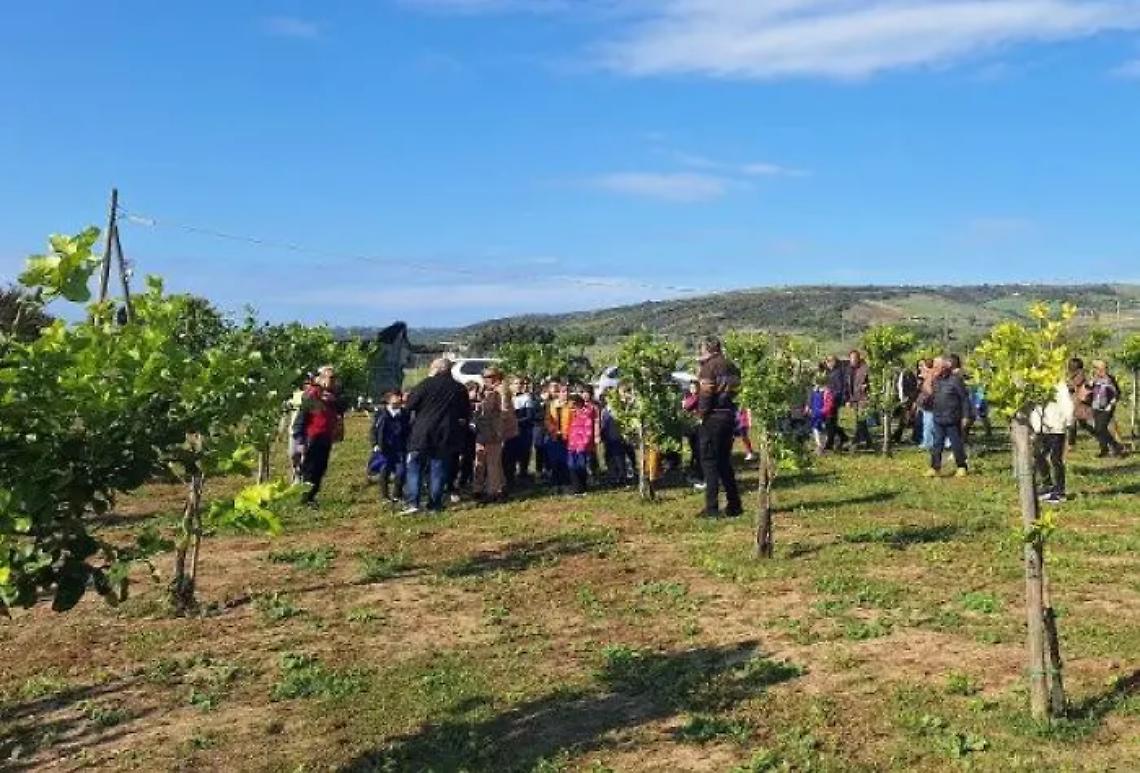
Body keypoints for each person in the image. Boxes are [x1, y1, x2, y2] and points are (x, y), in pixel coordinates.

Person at [402, 358, 471, 514]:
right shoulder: (458, 388)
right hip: (445, 434)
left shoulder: (424, 384)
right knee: (438, 469)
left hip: (422, 432)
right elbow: (465, 412)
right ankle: (435, 504)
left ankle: (413, 503)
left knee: (415, 467)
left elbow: (410, 405)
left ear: (436, 369)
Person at [697, 337, 743, 518]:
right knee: (724, 462)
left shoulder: (709, 367)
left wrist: (701, 414)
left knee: (709, 463)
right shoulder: (732, 366)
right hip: (729, 416)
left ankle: (712, 508)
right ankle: (734, 504)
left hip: (713, 417)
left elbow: (706, 394)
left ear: (707, 349)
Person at [291, 365, 346, 506]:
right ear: (321, 378)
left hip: (326, 436)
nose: (333, 381)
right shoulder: (313, 394)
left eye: (334, 378)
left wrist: (333, 400)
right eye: (330, 377)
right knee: (310, 468)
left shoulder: (333, 395)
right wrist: (300, 440)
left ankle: (311, 496)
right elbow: (302, 417)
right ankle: (306, 498)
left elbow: (342, 408)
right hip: (313, 436)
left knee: (320, 468)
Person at [924, 357, 972, 477]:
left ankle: (961, 466)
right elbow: (929, 393)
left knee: (956, 444)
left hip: (952, 418)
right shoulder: (936, 380)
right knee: (937, 444)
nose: (934, 369)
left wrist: (965, 416)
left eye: (936, 367)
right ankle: (935, 467)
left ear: (944, 368)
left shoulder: (955, 380)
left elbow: (964, 399)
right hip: (938, 417)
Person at [1032, 380, 1075, 504]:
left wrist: (1068, 422)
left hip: (1056, 426)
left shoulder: (1059, 385)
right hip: (1041, 427)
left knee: (1055, 459)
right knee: (1038, 454)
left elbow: (1067, 404)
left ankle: (1060, 491)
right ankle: (1047, 485)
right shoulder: (1035, 384)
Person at [473, 368, 507, 503]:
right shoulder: (486, 390)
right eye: (484, 377)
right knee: (480, 460)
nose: (485, 379)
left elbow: (501, 412)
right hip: (482, 430)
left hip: (492, 431)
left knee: (492, 462)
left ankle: (493, 491)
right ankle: (479, 488)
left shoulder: (498, 391)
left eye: (488, 377)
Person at [371, 391, 410, 503]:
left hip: (400, 447)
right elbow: (374, 430)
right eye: (395, 396)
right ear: (389, 399)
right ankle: (384, 496)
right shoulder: (382, 413)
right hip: (385, 448)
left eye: (399, 396)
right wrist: (375, 444)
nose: (399, 398)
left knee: (401, 471)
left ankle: (397, 494)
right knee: (384, 471)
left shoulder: (404, 413)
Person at [1089, 360, 1126, 457]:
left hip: (1107, 407)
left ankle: (1116, 445)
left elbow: (1117, 393)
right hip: (1096, 406)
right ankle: (1104, 450)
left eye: (1105, 368)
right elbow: (1090, 390)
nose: (1103, 370)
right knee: (1098, 430)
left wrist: (1111, 404)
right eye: (1100, 368)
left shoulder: (1110, 379)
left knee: (1101, 428)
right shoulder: (1094, 378)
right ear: (1096, 369)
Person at [566, 394, 597, 495]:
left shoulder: (586, 414)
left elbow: (588, 431)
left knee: (580, 467)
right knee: (571, 466)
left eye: (573, 406)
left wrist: (584, 444)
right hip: (572, 445)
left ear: (578, 404)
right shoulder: (575, 414)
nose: (571, 409)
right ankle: (575, 487)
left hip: (581, 446)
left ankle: (580, 488)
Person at [543, 382, 571, 490]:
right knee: (555, 460)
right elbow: (547, 419)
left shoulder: (571, 405)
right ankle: (555, 483)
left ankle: (566, 483)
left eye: (567, 391)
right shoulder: (551, 405)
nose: (566, 394)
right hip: (554, 436)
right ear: (558, 393)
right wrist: (552, 429)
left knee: (566, 461)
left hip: (567, 437)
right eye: (563, 391)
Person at [823, 356, 849, 451]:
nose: (827, 363)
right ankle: (842, 439)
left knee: (830, 422)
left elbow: (839, 389)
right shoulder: (831, 372)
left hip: (835, 401)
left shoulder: (837, 373)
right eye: (826, 362)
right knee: (834, 423)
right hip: (833, 401)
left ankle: (830, 443)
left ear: (833, 362)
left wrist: (830, 395)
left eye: (828, 361)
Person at [847, 350, 871, 449]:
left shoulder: (865, 368)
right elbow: (847, 385)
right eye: (851, 358)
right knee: (859, 421)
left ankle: (855, 442)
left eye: (855, 358)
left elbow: (873, 382)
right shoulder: (849, 369)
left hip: (862, 398)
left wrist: (867, 385)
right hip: (853, 398)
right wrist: (848, 399)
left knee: (860, 420)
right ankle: (867, 441)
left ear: (858, 358)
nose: (853, 360)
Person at [806, 374, 835, 454]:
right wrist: (808, 407)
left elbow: (829, 404)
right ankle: (819, 445)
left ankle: (821, 446)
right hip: (814, 413)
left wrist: (823, 411)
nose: (816, 385)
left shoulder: (827, 392)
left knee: (822, 430)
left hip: (823, 414)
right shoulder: (814, 391)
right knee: (815, 428)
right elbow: (810, 400)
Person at [893, 361, 920, 445]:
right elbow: (900, 387)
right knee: (903, 419)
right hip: (905, 400)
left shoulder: (910, 375)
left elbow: (913, 387)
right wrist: (903, 399)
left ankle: (897, 436)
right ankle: (896, 437)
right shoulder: (903, 374)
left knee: (905, 420)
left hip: (909, 399)